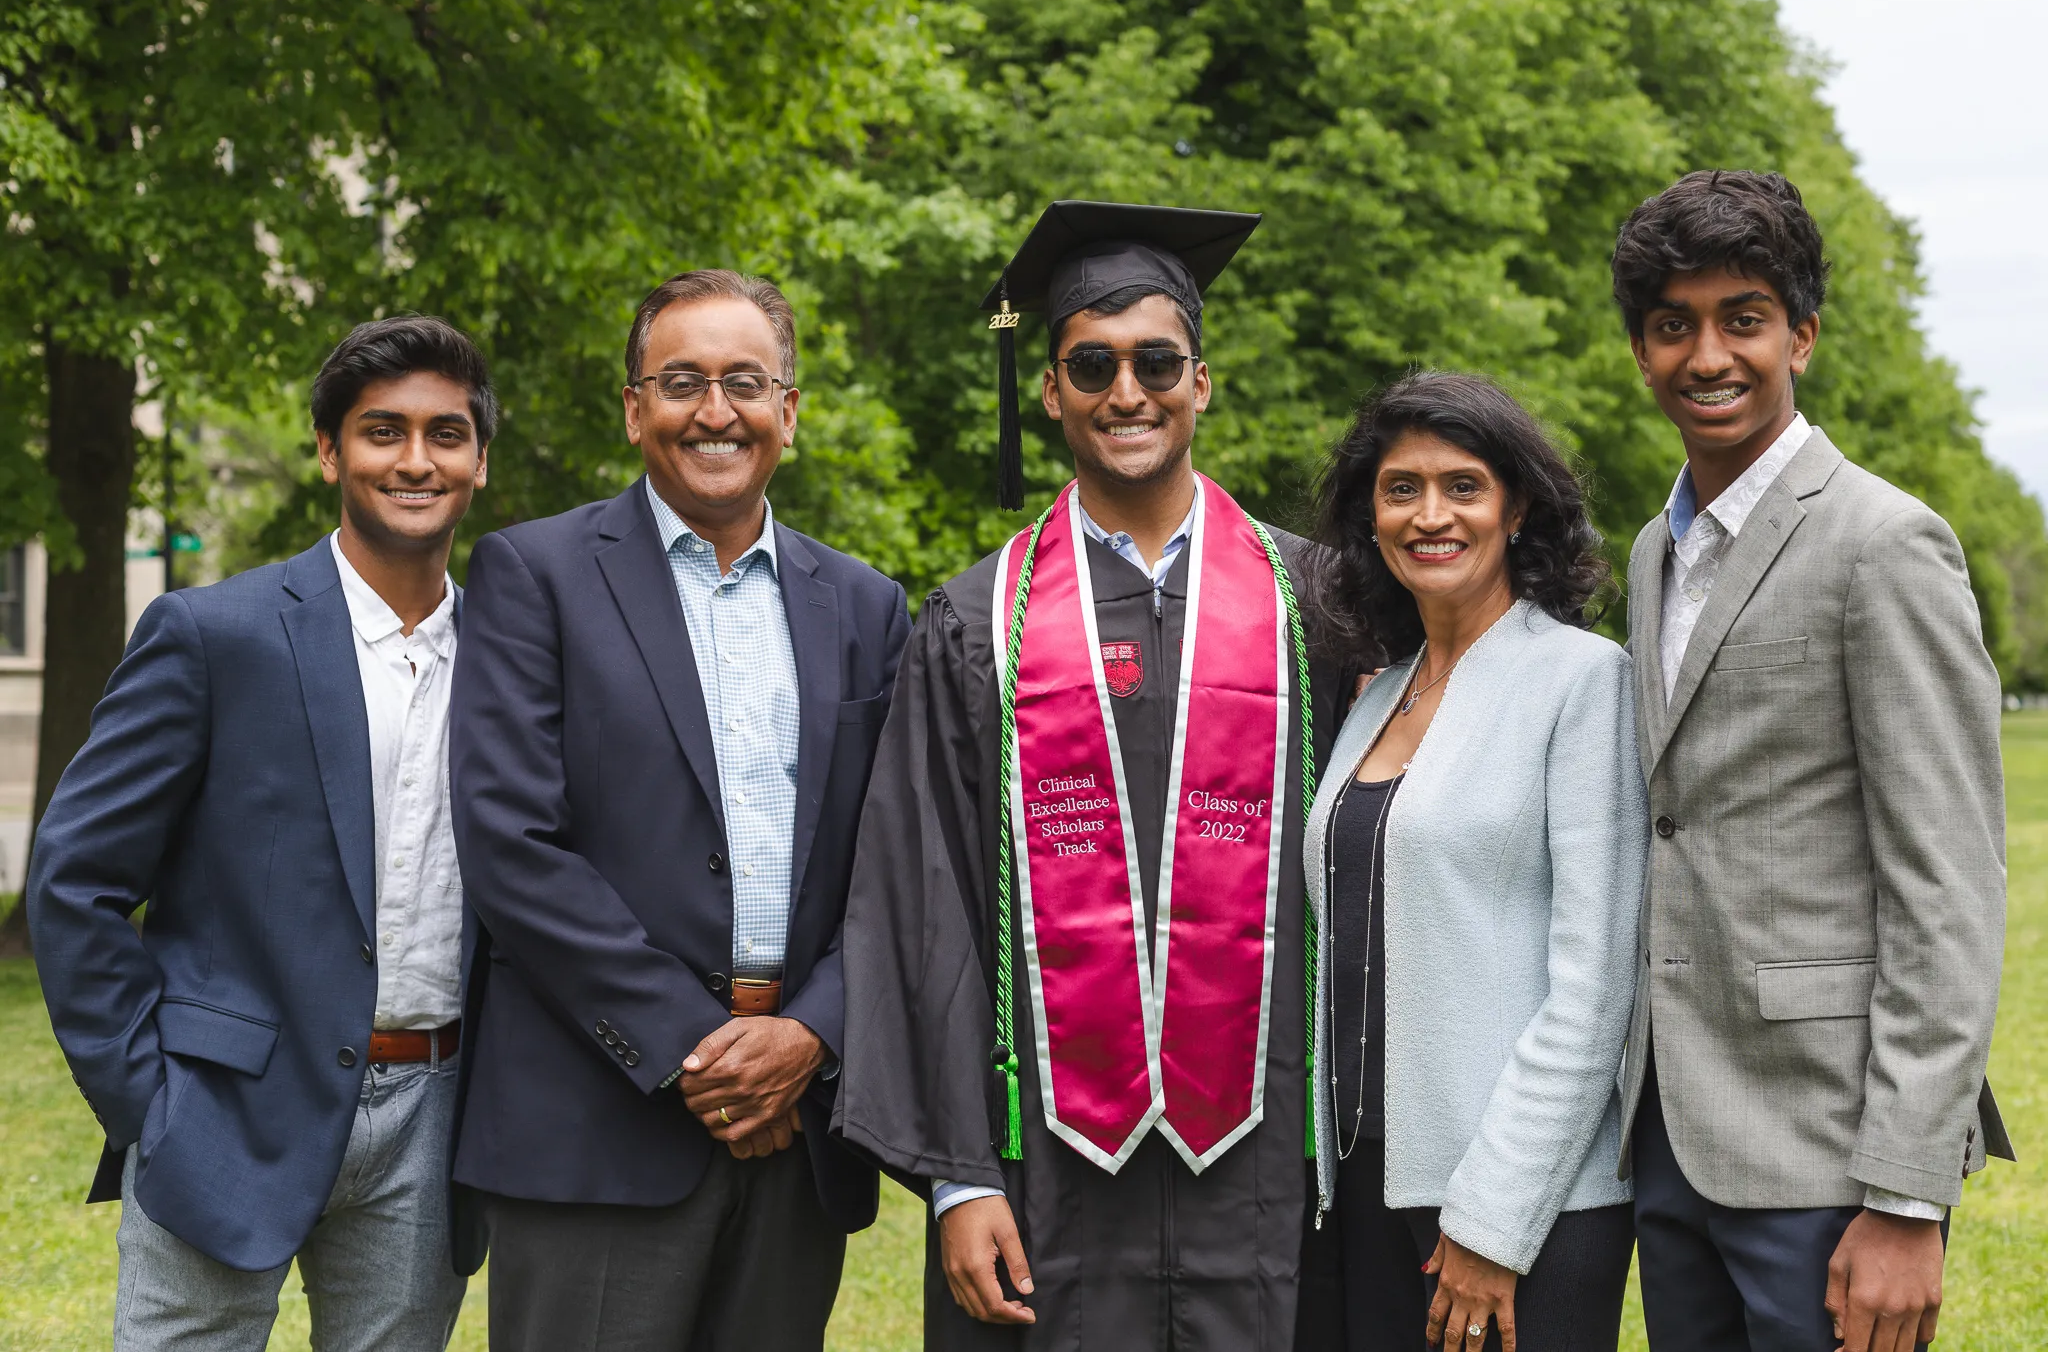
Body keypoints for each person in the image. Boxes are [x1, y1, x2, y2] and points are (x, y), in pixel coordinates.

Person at [836, 200, 1350, 1350]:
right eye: (1092, 364)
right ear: (1053, 390)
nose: (1128, 391)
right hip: (1042, 1167)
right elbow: (923, 906)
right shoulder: (980, 619)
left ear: (1202, 381)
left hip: (1269, 1158)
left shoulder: (1314, 603)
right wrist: (960, 1176)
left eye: (1155, 361)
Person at [448, 269, 909, 1350]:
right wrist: (700, 1046)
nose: (715, 410)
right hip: (596, 1119)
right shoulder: (535, 573)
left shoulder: (865, 603)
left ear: (787, 412)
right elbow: (512, 842)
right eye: (682, 381)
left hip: (797, 1126)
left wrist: (808, 1034)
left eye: (744, 382)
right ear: (633, 407)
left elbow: (897, 858)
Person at [29, 316, 495, 1349]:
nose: (415, 459)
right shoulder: (215, 635)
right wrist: (148, 1098)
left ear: (477, 459)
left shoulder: (514, 654)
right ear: (329, 450)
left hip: (434, 1115)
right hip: (218, 1110)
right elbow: (74, 876)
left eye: (445, 433)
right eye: (382, 431)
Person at [1610, 170, 2012, 1352]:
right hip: (1671, 1135)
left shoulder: (1884, 543)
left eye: (1742, 317)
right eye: (1672, 324)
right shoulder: (1650, 550)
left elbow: (1946, 883)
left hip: (1824, 1146)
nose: (1708, 354)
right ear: (1639, 349)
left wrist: (1902, 1194)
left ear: (1802, 334)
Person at [1294, 372, 1645, 1352]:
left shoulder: (1580, 681)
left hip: (1514, 1204)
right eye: (1400, 487)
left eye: (1462, 484)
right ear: (1369, 513)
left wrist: (1493, 1219)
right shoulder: (1378, 694)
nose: (1429, 513)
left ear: (1515, 505)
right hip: (1365, 1186)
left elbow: (1591, 990)